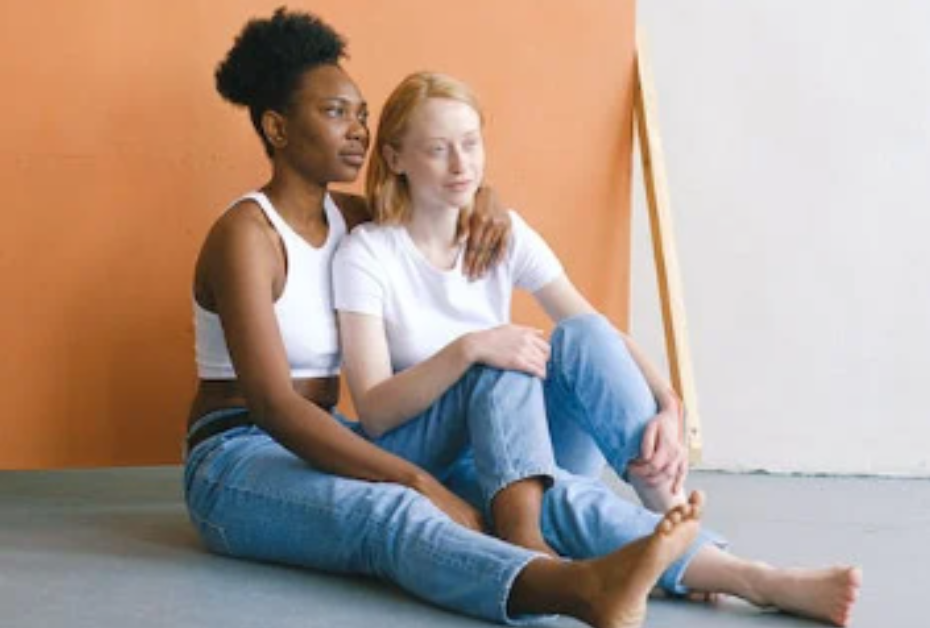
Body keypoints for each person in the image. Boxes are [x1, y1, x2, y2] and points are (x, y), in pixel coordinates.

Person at [184, 9, 715, 628]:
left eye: (361, 114)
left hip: (326, 436)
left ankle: (685, 550)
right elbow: (275, 408)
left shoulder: (350, 220)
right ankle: (573, 588)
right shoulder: (246, 235)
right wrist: (417, 480)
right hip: (235, 455)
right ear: (277, 127)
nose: (357, 131)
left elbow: (427, 200)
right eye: (335, 113)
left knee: (510, 422)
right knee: (395, 511)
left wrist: (483, 199)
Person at [332, 70, 863, 625]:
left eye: (470, 144)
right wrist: (469, 348)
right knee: (508, 367)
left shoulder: (502, 233)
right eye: (438, 150)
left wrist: (668, 403)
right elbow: (375, 410)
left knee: (579, 339)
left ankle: (671, 509)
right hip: (423, 453)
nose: (461, 165)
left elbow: (597, 331)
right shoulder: (368, 254)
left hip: (512, 445)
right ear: (395, 158)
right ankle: (749, 577)